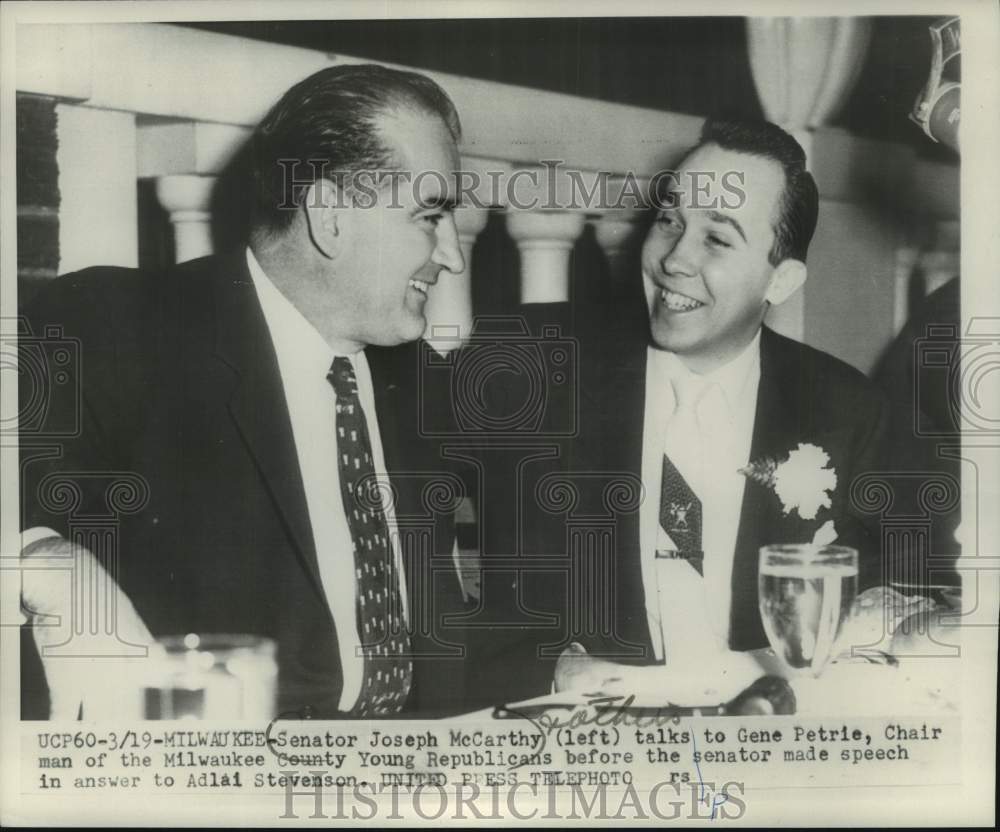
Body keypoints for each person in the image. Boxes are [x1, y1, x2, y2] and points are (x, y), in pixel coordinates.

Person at [18, 64, 473, 719]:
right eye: (431, 216)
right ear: (329, 217)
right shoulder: (119, 327)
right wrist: (52, 562)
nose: (453, 255)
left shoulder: (419, 378)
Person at [476, 119, 891, 701]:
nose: (674, 259)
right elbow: (425, 576)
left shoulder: (846, 409)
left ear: (782, 280)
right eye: (671, 221)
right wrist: (550, 670)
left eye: (717, 239)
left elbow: (893, 590)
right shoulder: (535, 371)